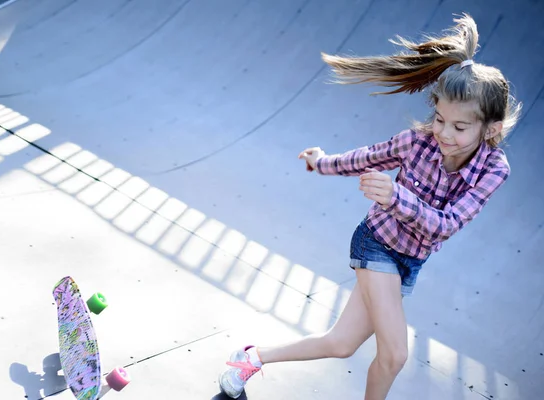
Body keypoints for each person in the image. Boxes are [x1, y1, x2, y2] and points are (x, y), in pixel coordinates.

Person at [217, 13, 521, 400]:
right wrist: (320, 162)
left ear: (490, 129)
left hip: (408, 261)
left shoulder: (494, 169)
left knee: (340, 343)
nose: (444, 133)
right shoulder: (418, 142)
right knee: (394, 355)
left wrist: (397, 197)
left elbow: (446, 225)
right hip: (376, 244)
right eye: (440, 119)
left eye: (459, 128)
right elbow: (364, 158)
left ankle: (251, 357)